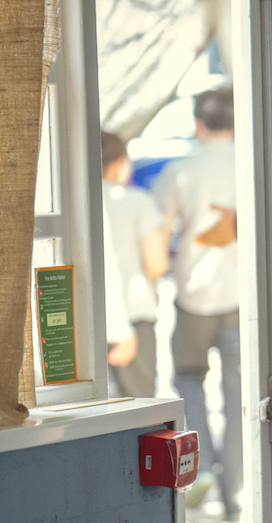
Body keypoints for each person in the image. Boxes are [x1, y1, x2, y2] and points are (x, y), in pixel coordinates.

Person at [153, 86, 241, 520]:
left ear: (198, 124)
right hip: (242, 294)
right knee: (239, 391)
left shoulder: (180, 170)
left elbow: (161, 229)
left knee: (188, 378)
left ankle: (203, 465)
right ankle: (235, 483)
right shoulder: (252, 161)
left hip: (192, 294)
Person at [100, 131, 168, 398]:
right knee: (140, 409)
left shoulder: (72, 203)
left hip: (83, 323)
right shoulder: (136, 200)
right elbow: (157, 263)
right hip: (134, 316)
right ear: (118, 163)